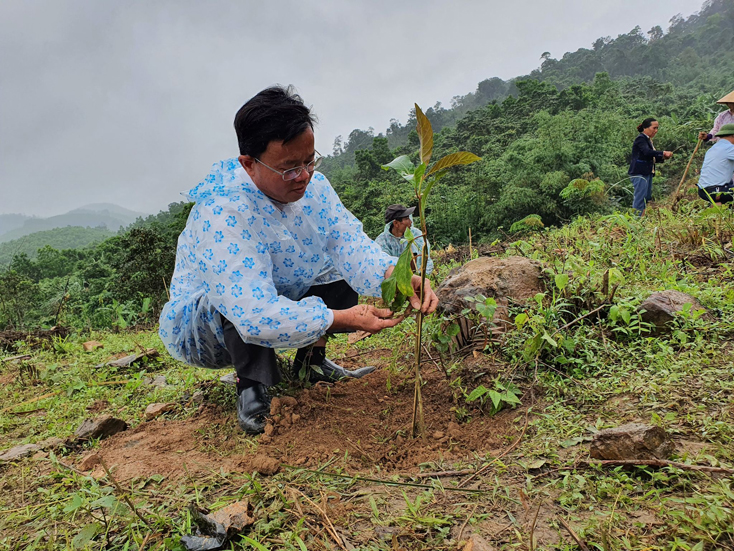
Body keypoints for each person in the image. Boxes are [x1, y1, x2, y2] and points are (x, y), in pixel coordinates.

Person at [159, 86, 438, 434]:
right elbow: (253, 311)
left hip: (278, 296)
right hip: (210, 326)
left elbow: (347, 241)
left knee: (331, 261)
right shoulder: (223, 211)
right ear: (249, 164)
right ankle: (251, 387)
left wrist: (394, 276)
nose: (304, 176)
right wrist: (339, 318)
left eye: (309, 161)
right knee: (233, 295)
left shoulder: (315, 190)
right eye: (290, 168)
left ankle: (311, 363)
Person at [628, 118, 673, 215]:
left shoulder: (648, 140)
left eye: (657, 128)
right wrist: (663, 152)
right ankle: (636, 220)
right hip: (639, 172)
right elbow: (647, 152)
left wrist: (663, 157)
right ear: (645, 128)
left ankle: (641, 218)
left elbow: (650, 157)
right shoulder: (641, 139)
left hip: (647, 171)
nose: (656, 131)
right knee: (640, 197)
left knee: (645, 197)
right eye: (654, 128)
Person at [374, 204, 434, 276]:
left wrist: (422, 276)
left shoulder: (416, 234)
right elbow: (383, 267)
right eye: (406, 219)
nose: (410, 222)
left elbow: (426, 259)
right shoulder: (382, 242)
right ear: (396, 223)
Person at [696, 123, 734, 205]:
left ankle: (717, 209)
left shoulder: (712, 149)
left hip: (703, 190)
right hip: (716, 190)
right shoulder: (730, 148)